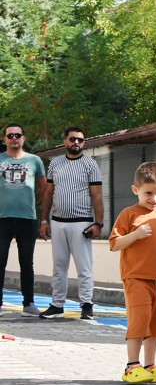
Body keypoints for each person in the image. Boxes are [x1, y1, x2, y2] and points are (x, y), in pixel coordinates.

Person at [109, 162, 156, 385]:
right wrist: (136, 234)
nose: (154, 198)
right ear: (136, 190)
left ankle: (150, 365)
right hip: (136, 277)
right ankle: (132, 365)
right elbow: (114, 244)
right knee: (139, 320)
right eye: (148, 193)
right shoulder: (129, 214)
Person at [39, 126, 104, 321]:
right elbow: (48, 193)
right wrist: (44, 220)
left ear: (84, 143)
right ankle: (57, 305)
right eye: (73, 139)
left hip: (81, 222)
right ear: (65, 141)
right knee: (58, 267)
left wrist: (98, 224)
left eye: (80, 140)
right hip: (57, 222)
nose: (76, 142)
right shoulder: (55, 163)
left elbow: (97, 196)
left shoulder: (90, 164)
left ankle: (86, 305)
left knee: (84, 267)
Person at [0, 123, 47, 316]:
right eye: (10, 136)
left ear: (23, 138)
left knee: (27, 262)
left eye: (17, 135)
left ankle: (29, 304)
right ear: (4, 139)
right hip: (2, 218)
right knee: (0, 261)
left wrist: (33, 202)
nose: (14, 138)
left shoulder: (34, 160)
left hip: (27, 218)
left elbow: (44, 187)